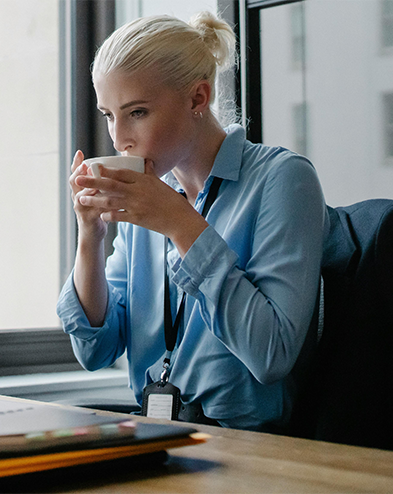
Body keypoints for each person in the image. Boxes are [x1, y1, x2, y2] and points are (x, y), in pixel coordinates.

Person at [56, 11, 327, 432]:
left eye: (137, 112)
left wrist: (181, 225)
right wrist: (90, 235)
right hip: (160, 436)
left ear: (198, 99)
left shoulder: (283, 179)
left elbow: (272, 355)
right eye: (109, 115)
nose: (118, 138)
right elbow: (95, 350)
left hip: (252, 447)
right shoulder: (145, 198)